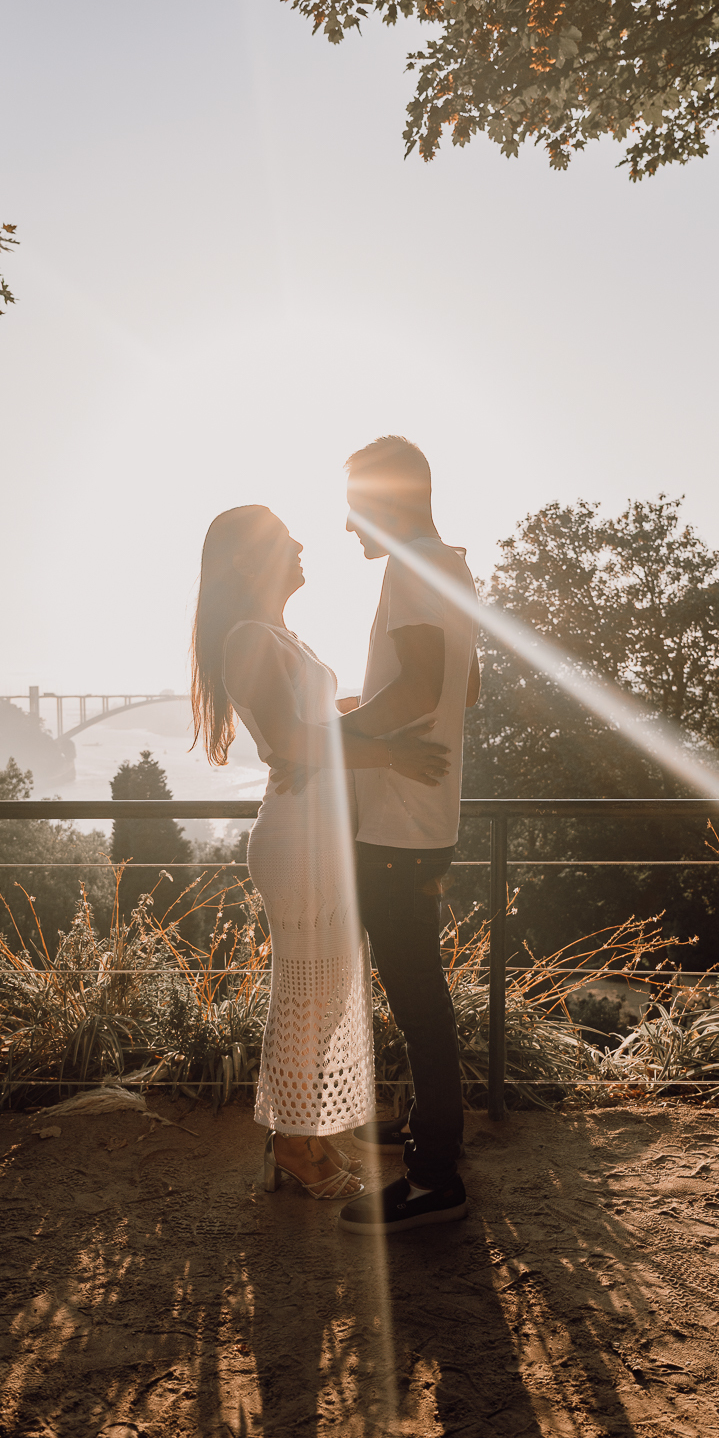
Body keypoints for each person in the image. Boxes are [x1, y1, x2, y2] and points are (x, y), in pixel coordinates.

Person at [190, 505, 449, 1201]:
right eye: (284, 539)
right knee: (307, 1002)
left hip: (321, 835)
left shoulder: (276, 635)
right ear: (249, 561)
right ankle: (298, 1150)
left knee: (323, 997)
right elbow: (292, 739)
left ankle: (297, 1144)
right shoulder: (248, 637)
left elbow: (317, 728)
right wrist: (386, 747)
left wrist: (391, 710)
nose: (303, 543)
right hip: (299, 839)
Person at [332, 437, 481, 1235]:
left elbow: (421, 687)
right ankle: (435, 1140)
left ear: (386, 499)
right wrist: (374, 706)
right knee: (422, 995)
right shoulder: (449, 566)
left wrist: (331, 730)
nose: (348, 526)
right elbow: (468, 685)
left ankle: (432, 1178)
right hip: (430, 815)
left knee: (418, 1000)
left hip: (396, 821)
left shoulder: (412, 566)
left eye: (354, 505)